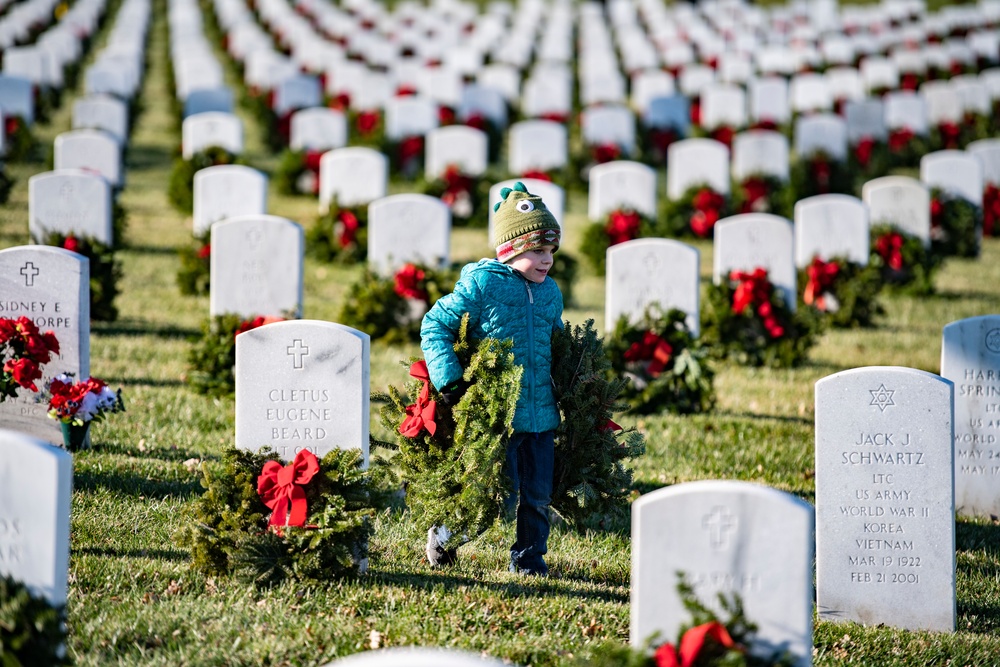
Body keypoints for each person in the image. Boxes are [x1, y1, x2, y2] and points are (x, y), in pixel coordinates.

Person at [420, 181, 563, 576]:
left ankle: (529, 560)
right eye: (536, 250)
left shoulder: (550, 292)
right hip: (497, 414)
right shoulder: (483, 285)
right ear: (511, 249)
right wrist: (449, 380)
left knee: (537, 496)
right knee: (494, 495)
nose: (546, 259)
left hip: (542, 415)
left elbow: (560, 344)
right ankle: (446, 536)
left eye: (551, 250)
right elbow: (435, 325)